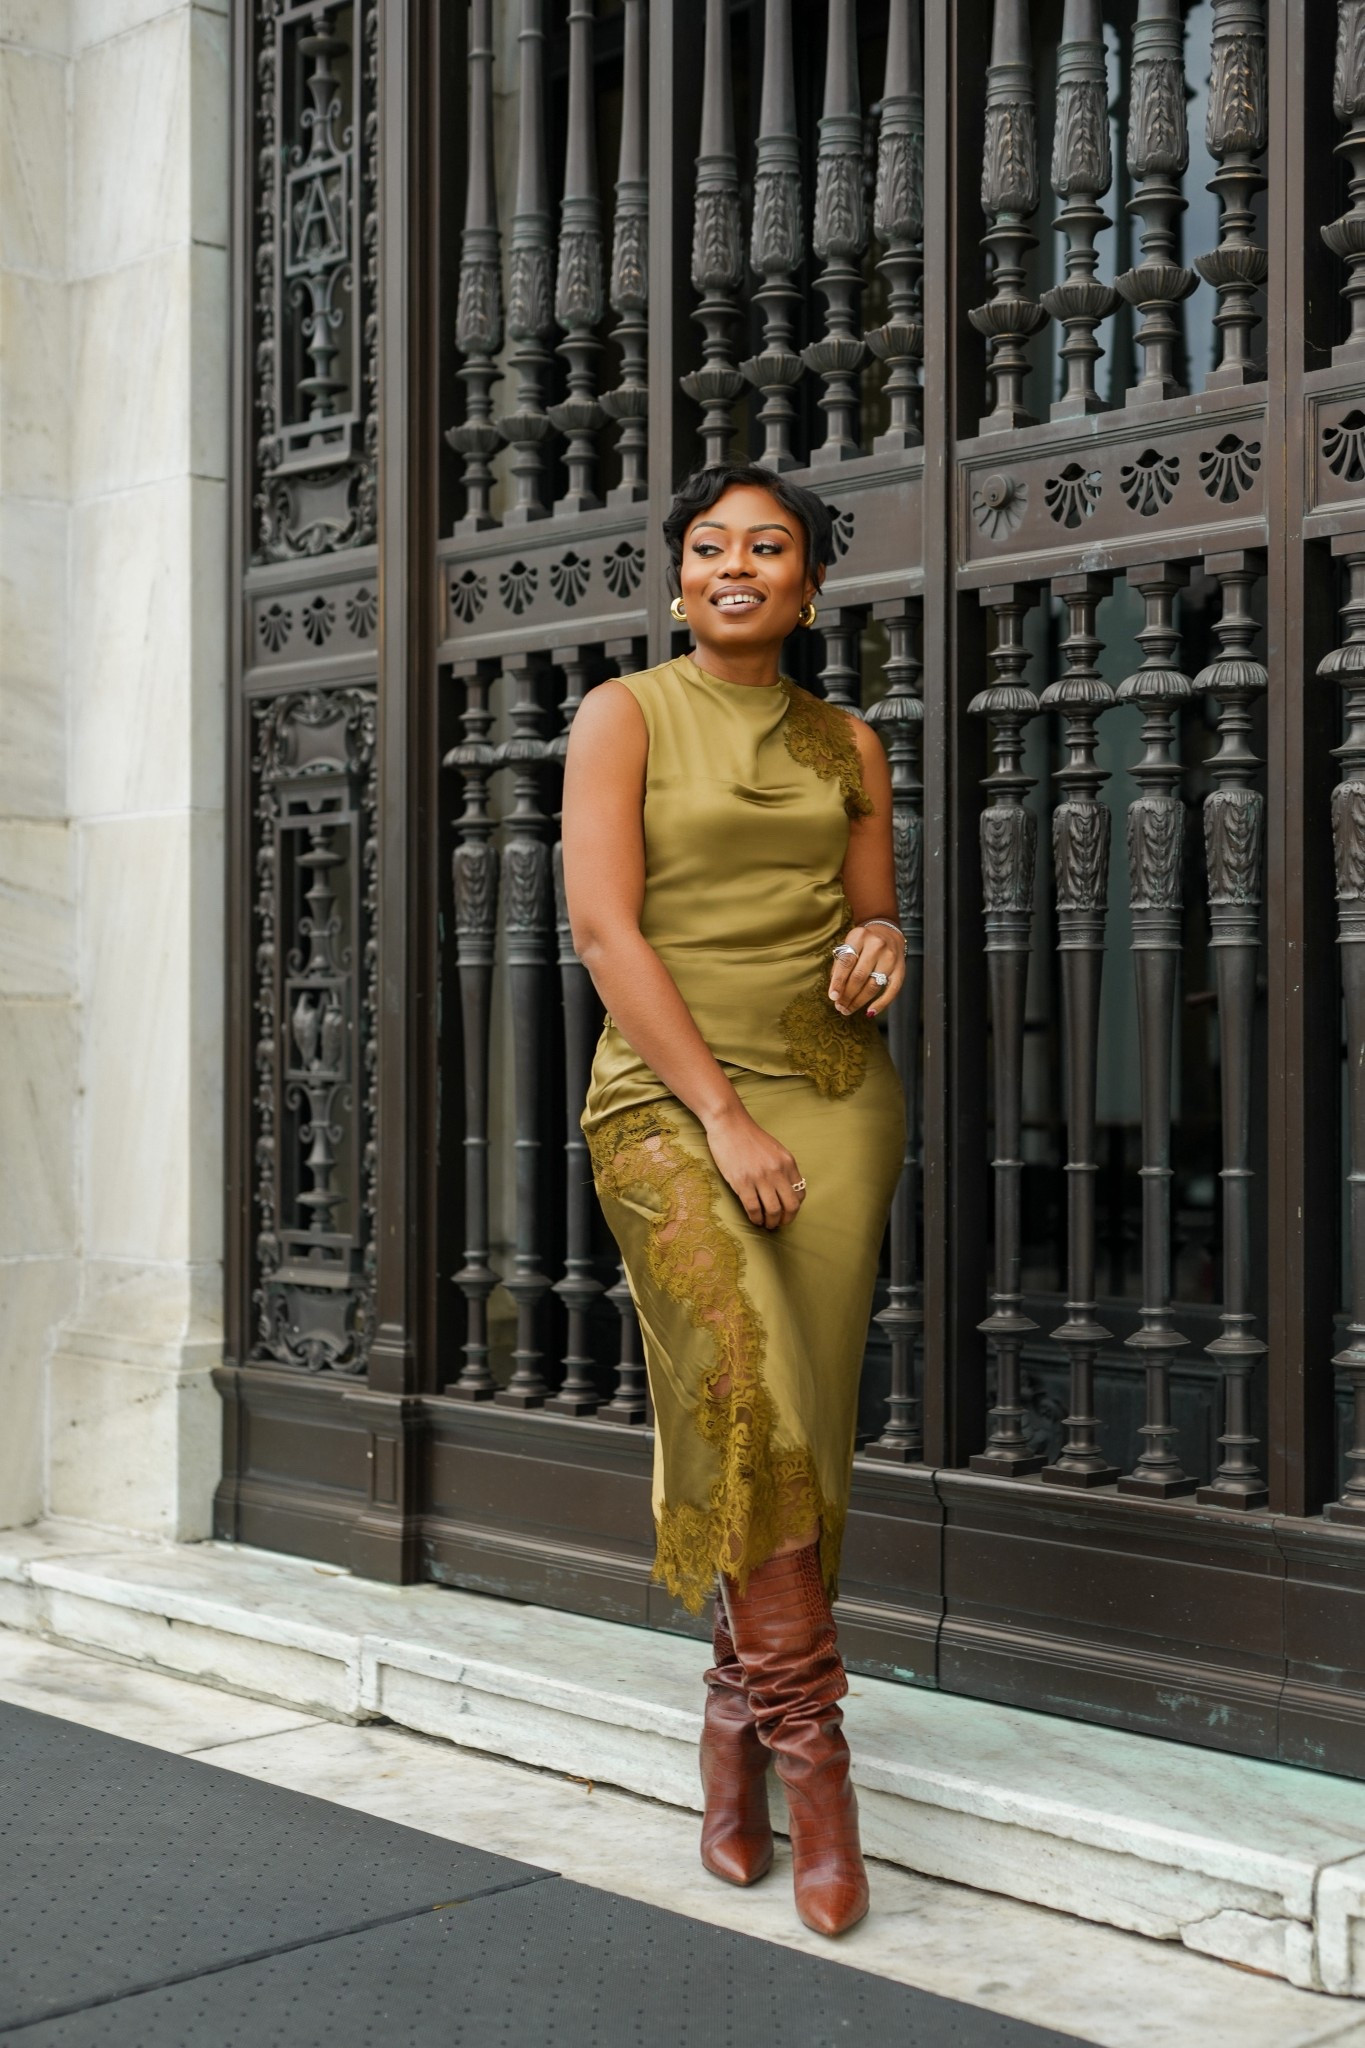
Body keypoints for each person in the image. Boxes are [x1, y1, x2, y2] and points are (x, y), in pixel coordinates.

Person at [561, 462, 906, 1938]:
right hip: (667, 1095)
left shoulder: (848, 741)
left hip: (832, 1099)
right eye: (709, 547)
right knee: (747, 1389)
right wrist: (718, 1114)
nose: (735, 565)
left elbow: (873, 905)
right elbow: (600, 919)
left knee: (801, 1426)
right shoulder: (623, 715)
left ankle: (730, 1716)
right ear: (679, 576)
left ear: (809, 585)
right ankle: (815, 1767)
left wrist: (881, 946)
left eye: (767, 547)